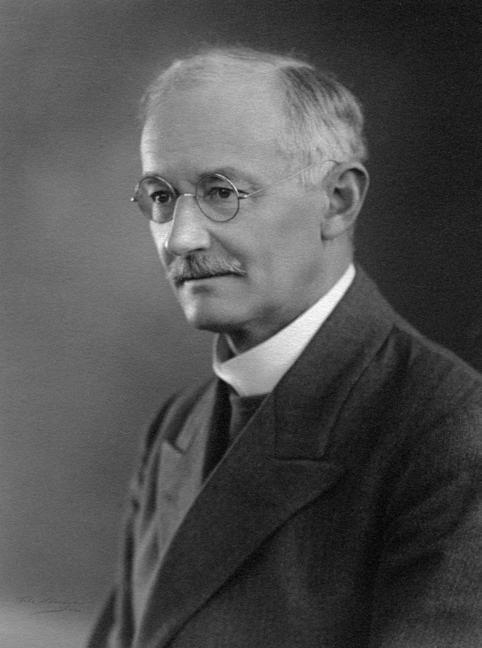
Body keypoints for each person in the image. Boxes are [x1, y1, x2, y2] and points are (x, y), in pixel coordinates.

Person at [88, 47, 482, 648]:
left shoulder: (449, 432)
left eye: (223, 191)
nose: (181, 239)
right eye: (162, 196)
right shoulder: (177, 425)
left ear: (337, 200)